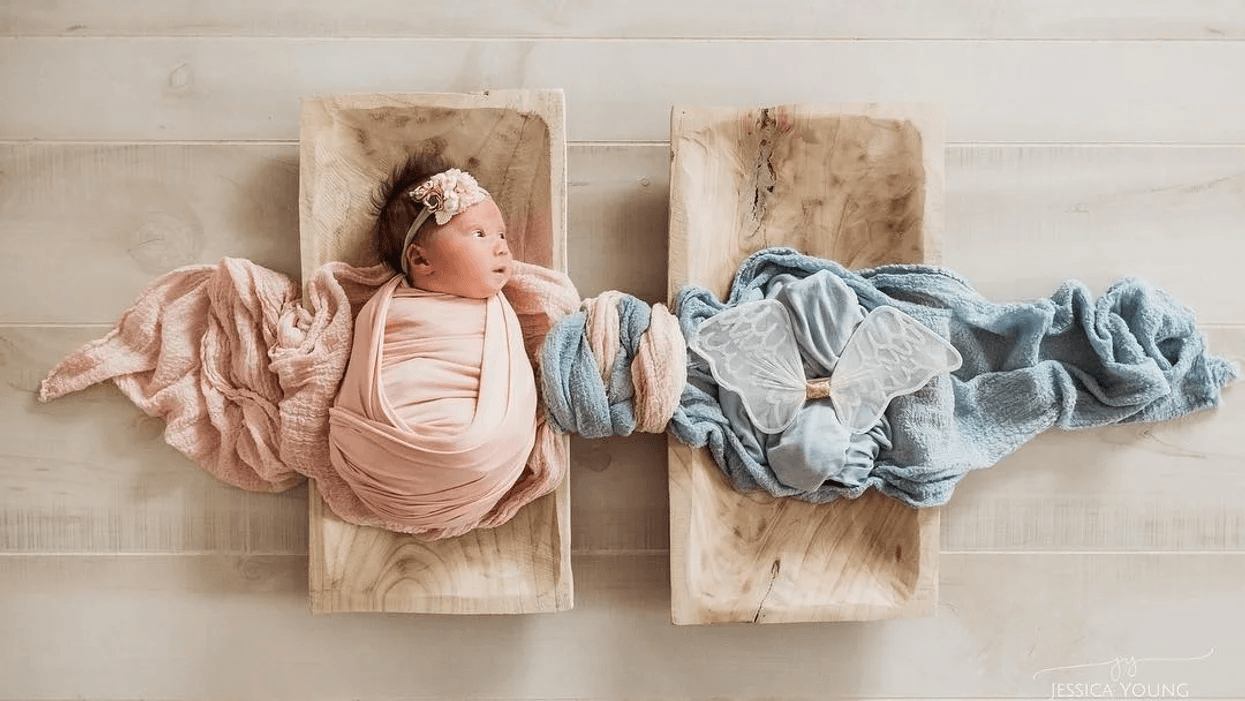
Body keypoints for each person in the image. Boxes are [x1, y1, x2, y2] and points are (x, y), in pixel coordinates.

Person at [326, 158, 540, 533]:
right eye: (480, 234)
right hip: (387, 453)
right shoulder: (387, 311)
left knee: (469, 449)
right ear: (421, 260)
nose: (502, 248)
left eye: (502, 235)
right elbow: (366, 365)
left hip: (479, 456)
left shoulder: (499, 312)